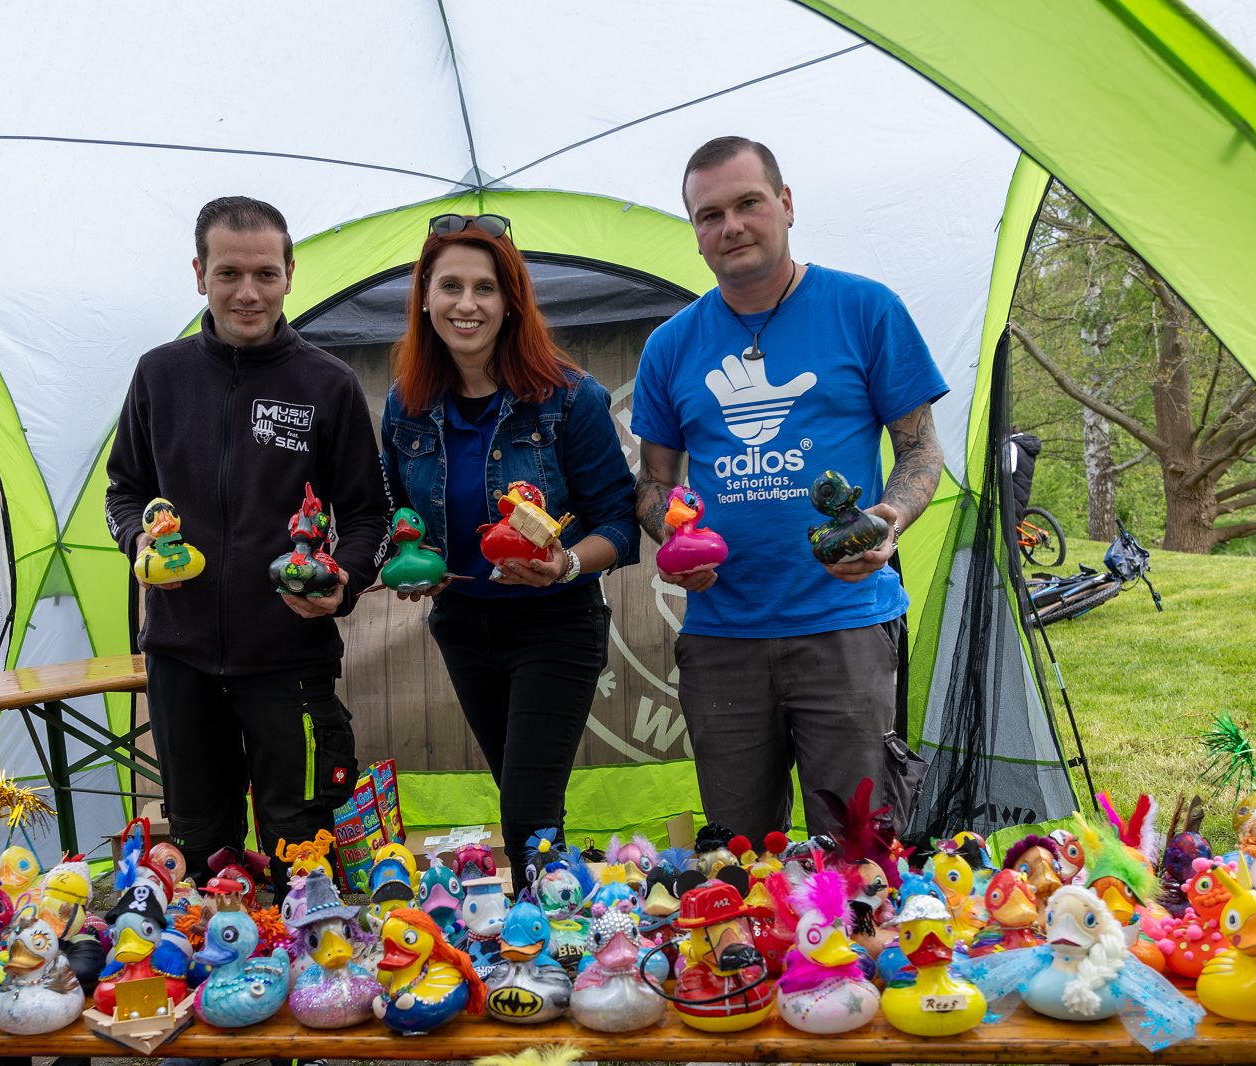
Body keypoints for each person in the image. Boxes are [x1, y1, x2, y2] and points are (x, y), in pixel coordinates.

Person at [631, 137, 946, 844]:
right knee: (741, 858)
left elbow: (921, 448)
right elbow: (654, 482)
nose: (732, 226)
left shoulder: (865, 310)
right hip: (721, 636)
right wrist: (674, 536)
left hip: (845, 624)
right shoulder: (671, 346)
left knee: (860, 853)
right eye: (710, 215)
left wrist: (888, 520)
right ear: (696, 233)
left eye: (748, 203)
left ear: (787, 204)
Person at [105, 196, 388, 898]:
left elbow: (369, 515)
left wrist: (345, 581)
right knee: (203, 853)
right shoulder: (158, 375)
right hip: (180, 661)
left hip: (290, 663)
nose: (248, 293)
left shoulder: (328, 383)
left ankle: (314, 963)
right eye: (229, 273)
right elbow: (123, 492)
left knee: (303, 851)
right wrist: (140, 542)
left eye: (265, 273)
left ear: (291, 273)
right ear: (199, 273)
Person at [381, 214, 638, 893]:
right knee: (530, 805)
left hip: (556, 623)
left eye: (485, 288)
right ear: (425, 298)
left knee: (525, 814)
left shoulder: (569, 398)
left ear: (510, 301)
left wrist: (566, 564)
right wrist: (406, 562)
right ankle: (563, 921)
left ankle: (537, 932)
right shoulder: (406, 406)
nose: (466, 304)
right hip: (463, 625)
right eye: (450, 286)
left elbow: (619, 522)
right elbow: (396, 516)